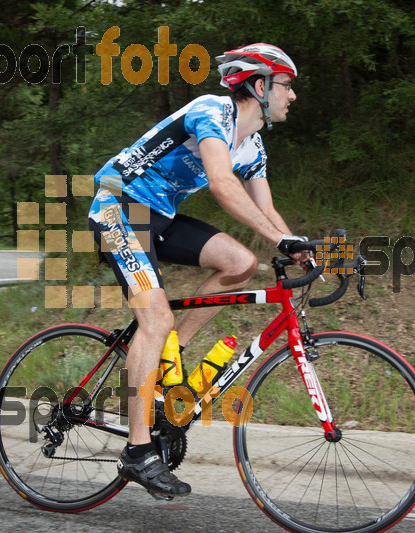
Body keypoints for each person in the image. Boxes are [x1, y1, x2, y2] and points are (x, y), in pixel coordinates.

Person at [87, 43, 309, 499]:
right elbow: (223, 185)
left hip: (158, 215)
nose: (292, 96)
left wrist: (304, 252)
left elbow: (267, 209)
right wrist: (278, 239)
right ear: (261, 85)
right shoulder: (212, 111)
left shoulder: (254, 146)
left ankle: (171, 355)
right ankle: (137, 452)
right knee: (156, 317)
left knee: (241, 263)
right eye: (287, 86)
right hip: (117, 209)